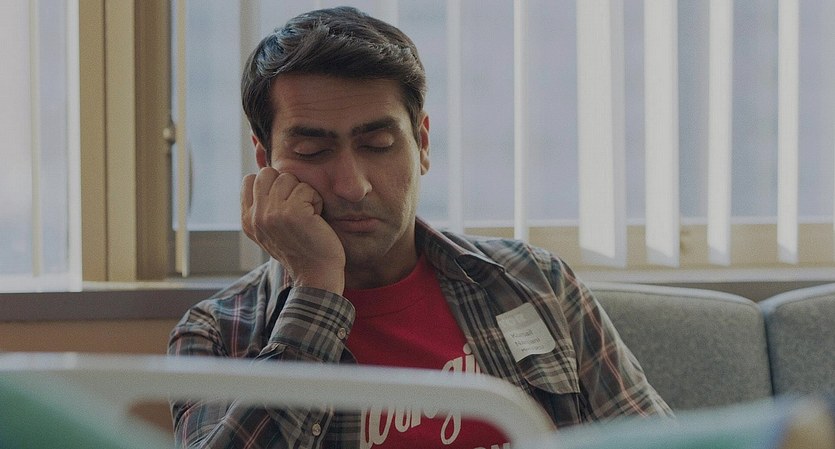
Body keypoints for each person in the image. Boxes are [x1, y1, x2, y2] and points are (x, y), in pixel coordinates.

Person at [168, 6, 672, 449]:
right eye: (312, 151)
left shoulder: (536, 282)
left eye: (379, 145)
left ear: (422, 144)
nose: (353, 186)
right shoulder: (217, 333)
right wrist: (315, 287)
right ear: (265, 161)